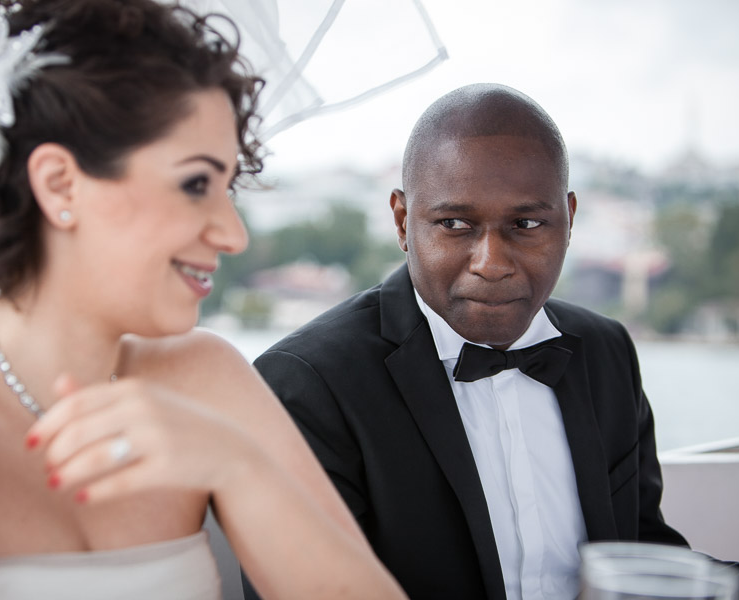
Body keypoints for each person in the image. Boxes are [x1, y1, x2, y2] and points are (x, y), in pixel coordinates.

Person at [0, 1, 408, 598]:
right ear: (60, 183)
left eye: (227, 189)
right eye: (196, 184)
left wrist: (239, 467)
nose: (233, 234)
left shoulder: (205, 376)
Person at [249, 83, 689, 599]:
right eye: (455, 224)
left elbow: (646, 557)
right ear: (401, 221)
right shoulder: (306, 383)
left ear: (568, 219)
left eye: (526, 224)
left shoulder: (607, 350)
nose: (492, 263)